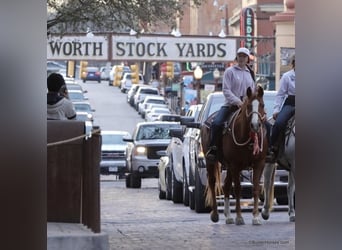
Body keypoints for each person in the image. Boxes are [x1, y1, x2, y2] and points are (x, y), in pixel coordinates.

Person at [206, 47, 256, 161]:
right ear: (236, 57)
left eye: (244, 56)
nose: (242, 58)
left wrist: (250, 103)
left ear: (248, 58)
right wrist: (238, 102)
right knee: (217, 123)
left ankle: (262, 149)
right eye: (240, 56)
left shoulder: (251, 73)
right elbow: (226, 90)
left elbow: (253, 91)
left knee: (260, 124)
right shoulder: (230, 71)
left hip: (246, 107)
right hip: (230, 105)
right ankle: (213, 148)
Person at [268, 55, 295, 158]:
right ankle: (272, 148)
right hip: (291, 103)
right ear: (293, 63)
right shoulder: (287, 76)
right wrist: (276, 109)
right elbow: (280, 95)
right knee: (279, 123)